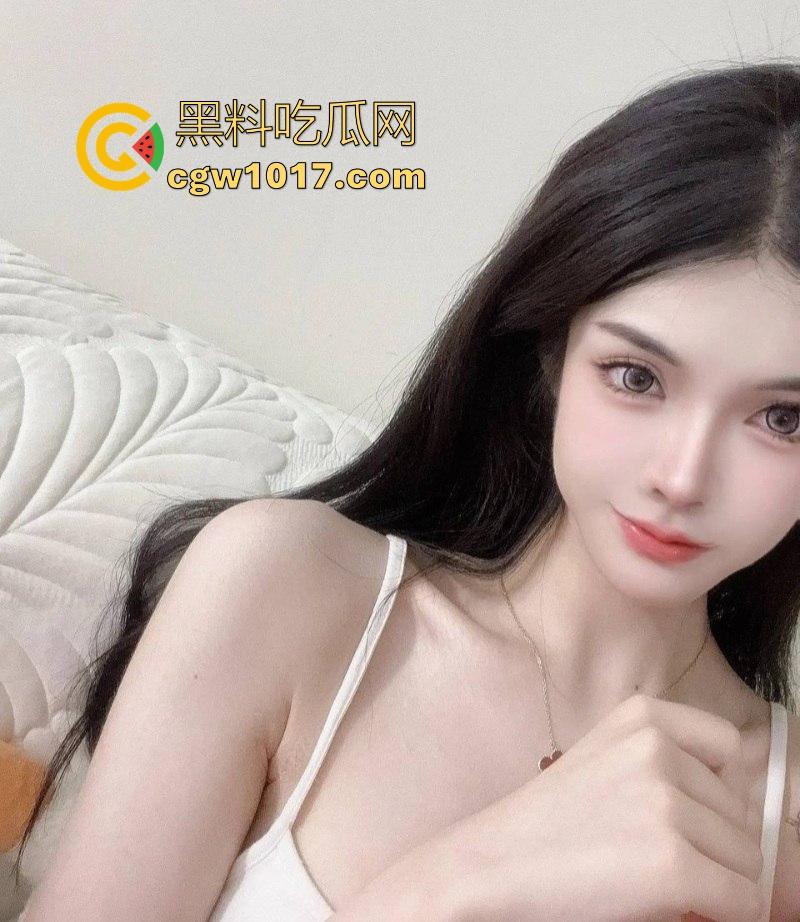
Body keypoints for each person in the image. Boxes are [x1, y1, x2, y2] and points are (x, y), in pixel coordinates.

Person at [16, 59, 800, 921]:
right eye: (636, 377)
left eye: (783, 420)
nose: (682, 478)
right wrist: (453, 887)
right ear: (550, 355)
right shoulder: (291, 586)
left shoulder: (780, 818)